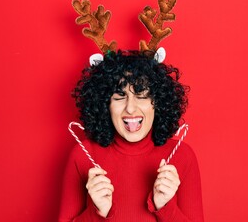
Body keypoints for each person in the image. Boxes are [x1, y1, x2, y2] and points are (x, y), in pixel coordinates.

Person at [58, 50, 204, 221]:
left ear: (157, 103)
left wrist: (165, 206)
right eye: (120, 96)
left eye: (141, 95)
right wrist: (96, 213)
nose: (130, 108)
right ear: (105, 104)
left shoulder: (183, 156)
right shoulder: (83, 155)